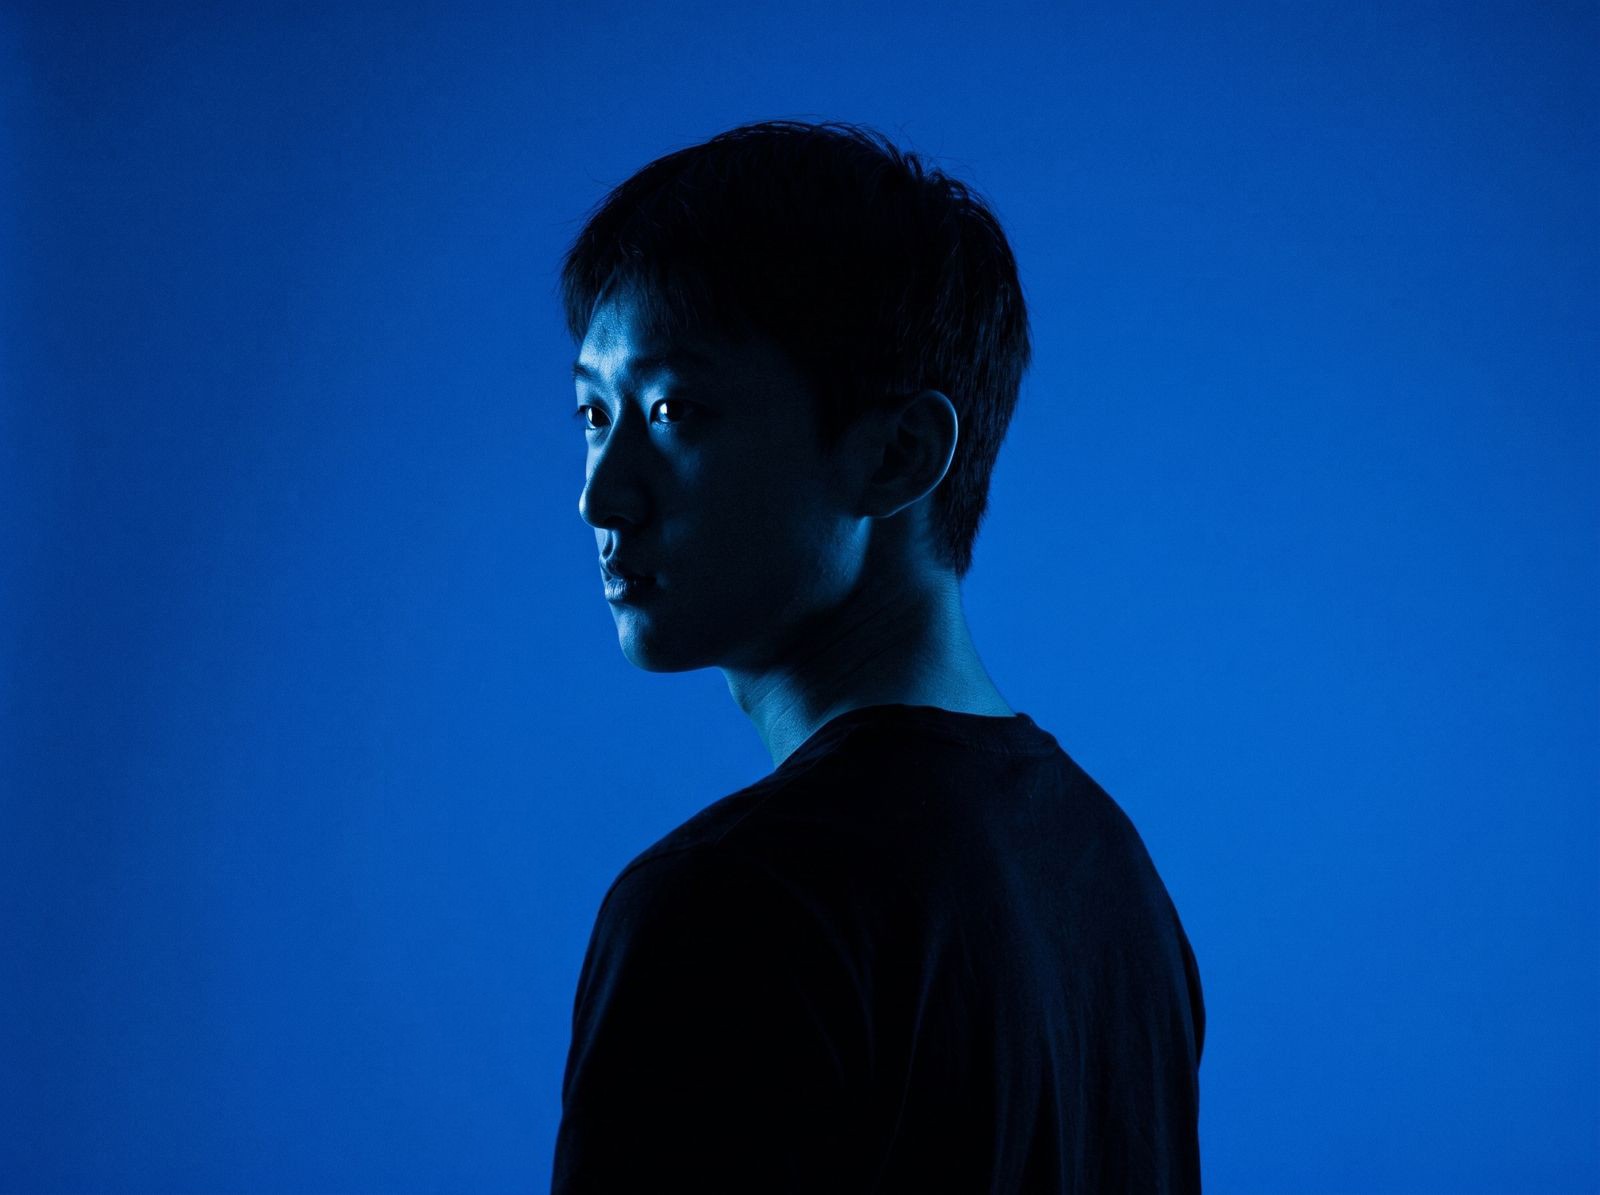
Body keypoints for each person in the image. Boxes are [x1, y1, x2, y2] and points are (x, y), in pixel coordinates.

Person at [550, 119, 1205, 1193]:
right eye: (592, 411)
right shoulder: (1111, 874)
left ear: (899, 454)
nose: (601, 495)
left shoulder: (728, 908)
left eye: (672, 410)